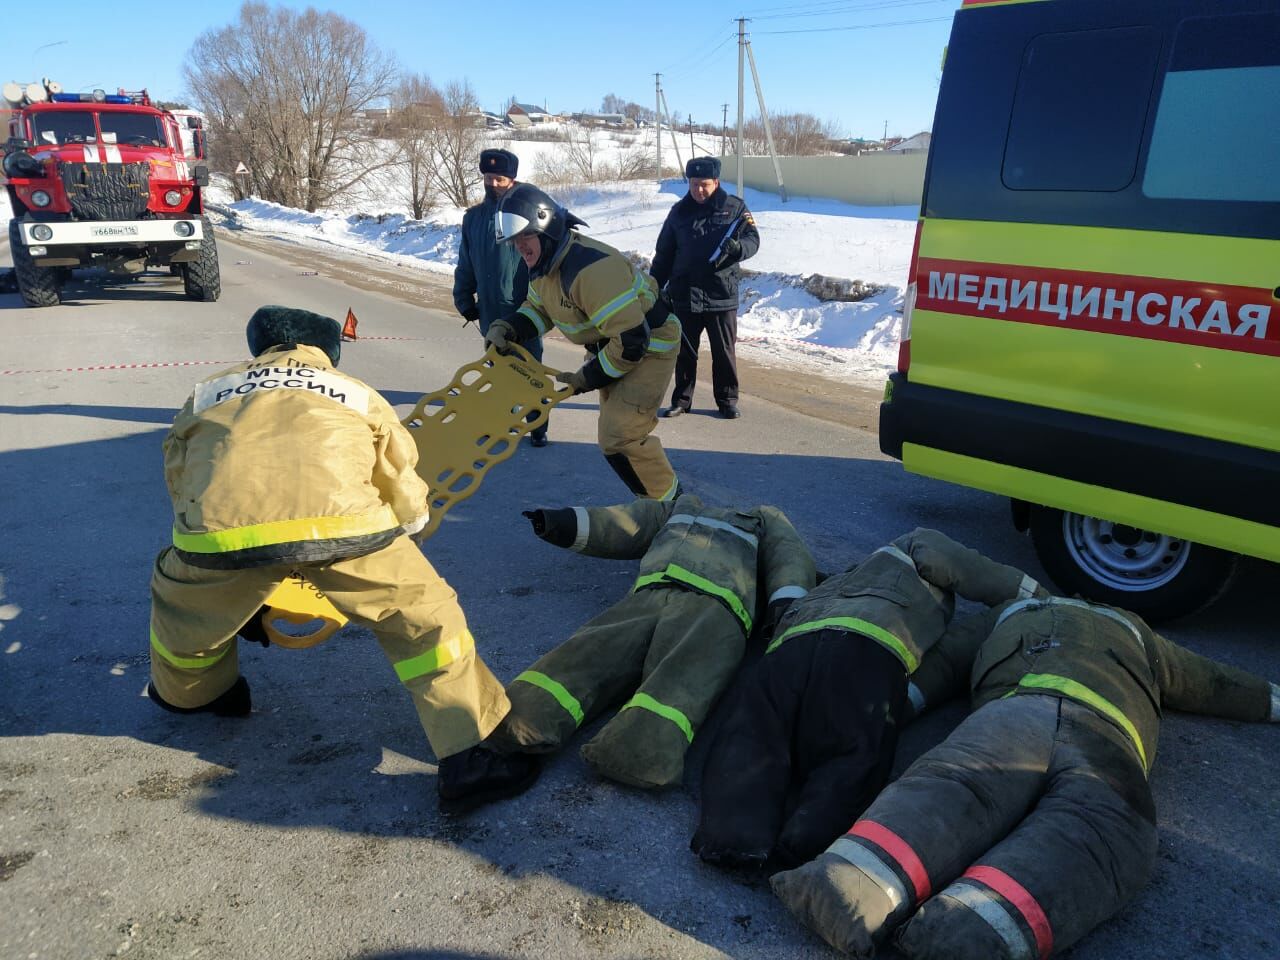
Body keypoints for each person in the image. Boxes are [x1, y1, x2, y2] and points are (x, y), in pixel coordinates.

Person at [146, 305, 539, 816]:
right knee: (425, 621)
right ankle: (470, 759)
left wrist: (201, 534)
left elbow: (177, 467)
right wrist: (411, 530)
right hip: (343, 530)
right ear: (327, 349)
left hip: (218, 535)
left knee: (183, 613)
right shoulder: (357, 393)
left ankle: (195, 696)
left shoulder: (208, 390)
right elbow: (399, 473)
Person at [771, 590, 1280, 960]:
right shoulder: (1137, 633)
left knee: (955, 788)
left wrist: (891, 712)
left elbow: (947, 663)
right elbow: (1215, 683)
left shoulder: (1011, 612)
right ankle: (971, 934)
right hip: (1108, 736)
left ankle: (847, 889)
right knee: (1099, 832)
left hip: (1014, 714)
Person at [693, 528, 1043, 872]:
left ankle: (731, 837)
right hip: (863, 649)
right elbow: (960, 564)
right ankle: (806, 840)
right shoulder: (909, 549)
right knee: (856, 751)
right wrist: (1035, 596)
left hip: (787, 652)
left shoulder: (832, 584)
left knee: (753, 736)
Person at [492, 494, 816, 788]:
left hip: (716, 608)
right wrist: (558, 522)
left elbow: (788, 554)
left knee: (682, 676)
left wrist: (786, 604)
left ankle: (637, 754)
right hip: (649, 596)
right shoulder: (678, 507)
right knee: (589, 651)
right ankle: (518, 717)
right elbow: (626, 523)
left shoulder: (764, 519)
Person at [485, 183, 682, 500]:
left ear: (546, 228)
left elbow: (633, 341)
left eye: (525, 236)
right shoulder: (545, 265)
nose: (519, 246)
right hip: (614, 347)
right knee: (615, 437)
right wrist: (509, 327)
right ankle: (657, 505)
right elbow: (539, 308)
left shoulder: (590, 270)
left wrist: (586, 378)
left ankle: (672, 508)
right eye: (514, 240)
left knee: (621, 436)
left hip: (649, 348)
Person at [651, 156, 760, 420]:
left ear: (716, 182)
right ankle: (682, 400)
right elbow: (664, 253)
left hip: (720, 294)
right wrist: (653, 287)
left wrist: (738, 249)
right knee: (684, 352)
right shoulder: (679, 212)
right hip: (685, 294)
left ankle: (727, 400)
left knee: (724, 352)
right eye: (694, 184)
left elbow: (752, 239)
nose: (699, 190)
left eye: (705, 184)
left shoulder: (734, 208)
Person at [452, 148, 548, 446]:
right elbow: (466, 261)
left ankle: (538, 426)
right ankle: (503, 423)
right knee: (496, 369)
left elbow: (547, 261)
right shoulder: (474, 218)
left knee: (530, 370)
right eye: (489, 178)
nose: (493, 184)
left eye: (500, 179)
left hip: (524, 307)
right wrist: (465, 298)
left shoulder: (530, 212)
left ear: (512, 179)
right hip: (490, 306)